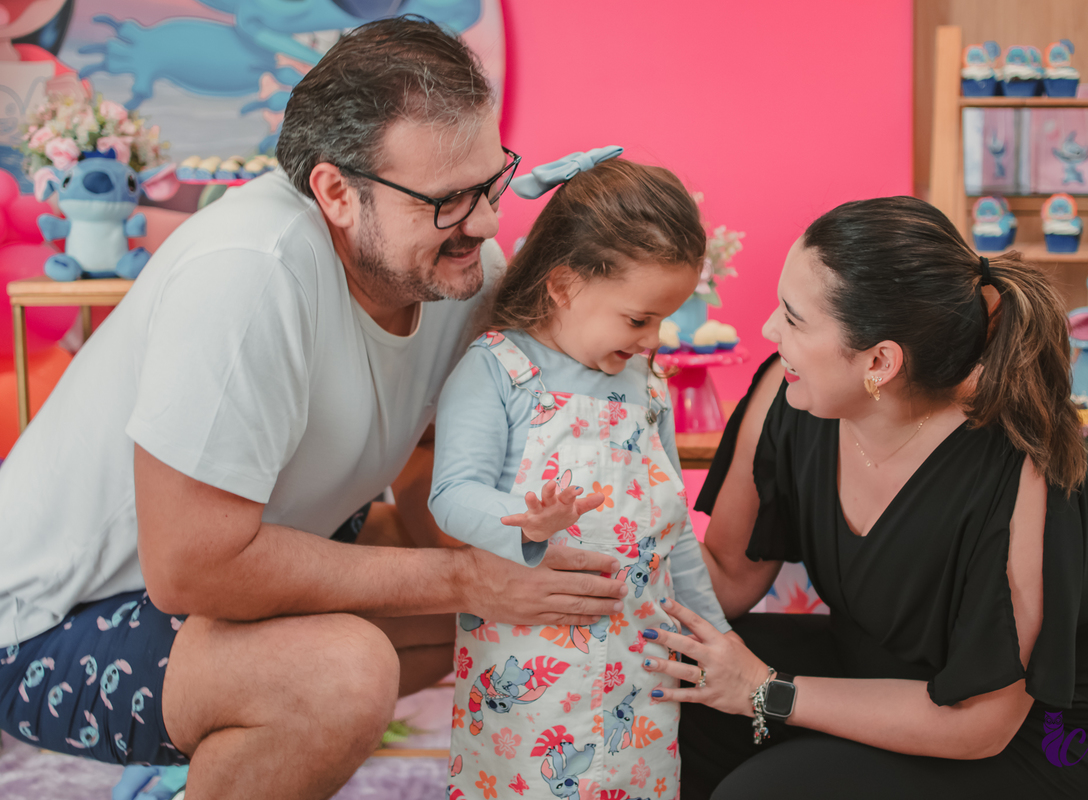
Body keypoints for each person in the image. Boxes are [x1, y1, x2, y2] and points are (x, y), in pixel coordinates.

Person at [0, 18, 628, 800]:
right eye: (447, 201)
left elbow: (438, 472)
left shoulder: (450, 270)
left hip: (227, 573)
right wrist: (469, 577)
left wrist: (520, 555)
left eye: (493, 179)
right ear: (335, 191)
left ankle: (200, 767)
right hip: (50, 623)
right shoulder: (249, 274)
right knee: (342, 674)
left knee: (513, 603)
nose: (487, 223)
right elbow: (192, 568)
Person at [634, 197, 1088, 799]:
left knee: (763, 793)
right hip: (871, 667)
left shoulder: (1019, 465)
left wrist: (766, 689)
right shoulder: (787, 394)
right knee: (667, 680)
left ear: (879, 361)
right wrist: (608, 557)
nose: (769, 329)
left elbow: (981, 724)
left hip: (1030, 734)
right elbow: (730, 578)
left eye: (793, 318)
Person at [429, 149, 731, 799]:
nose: (654, 339)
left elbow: (674, 532)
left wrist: (720, 642)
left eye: (665, 318)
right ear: (564, 286)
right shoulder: (500, 371)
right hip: (529, 686)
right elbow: (452, 495)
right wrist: (526, 527)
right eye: (638, 318)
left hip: (639, 683)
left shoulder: (647, 387)